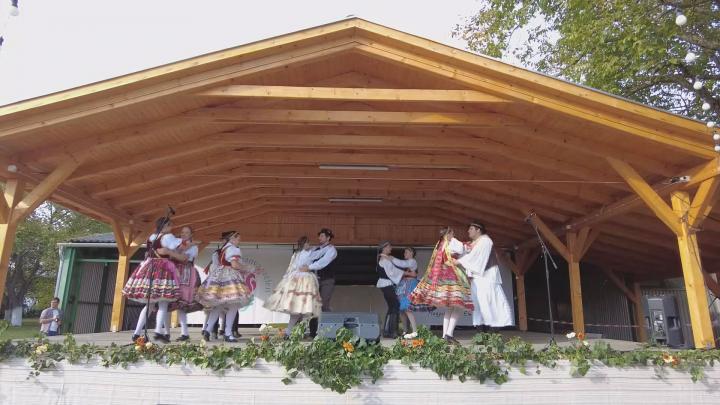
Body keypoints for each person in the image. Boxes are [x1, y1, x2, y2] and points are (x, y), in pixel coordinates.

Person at [123, 217, 187, 343]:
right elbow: (182, 245)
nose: (171, 228)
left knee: (149, 304)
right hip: (162, 269)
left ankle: (136, 333)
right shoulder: (167, 237)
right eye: (170, 225)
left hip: (150, 267)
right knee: (163, 301)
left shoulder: (152, 237)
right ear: (165, 226)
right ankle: (158, 331)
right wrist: (187, 240)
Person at [410, 227, 474, 344]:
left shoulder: (440, 245)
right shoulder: (452, 242)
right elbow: (461, 249)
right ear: (448, 234)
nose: (454, 234)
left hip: (443, 275)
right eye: (452, 232)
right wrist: (466, 245)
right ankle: (449, 334)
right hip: (454, 274)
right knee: (458, 306)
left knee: (450, 307)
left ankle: (445, 335)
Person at [196, 231, 253, 343]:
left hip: (220, 276)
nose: (239, 241)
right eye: (238, 239)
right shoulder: (233, 249)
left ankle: (207, 331)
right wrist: (248, 268)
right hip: (229, 276)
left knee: (218, 306)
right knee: (233, 305)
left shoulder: (224, 249)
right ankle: (228, 333)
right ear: (232, 239)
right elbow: (235, 265)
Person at [455, 221, 513, 331]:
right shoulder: (473, 243)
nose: (468, 231)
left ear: (478, 230)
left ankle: (494, 333)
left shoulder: (485, 241)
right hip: (477, 278)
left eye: (471, 229)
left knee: (490, 303)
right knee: (478, 305)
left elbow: (474, 257)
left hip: (488, 277)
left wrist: (458, 262)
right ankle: (481, 333)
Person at [263, 236, 322, 337]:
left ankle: (293, 332)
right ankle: (289, 332)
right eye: (307, 243)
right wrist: (286, 278)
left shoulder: (309, 252)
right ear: (303, 244)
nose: (309, 245)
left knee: (302, 310)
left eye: (309, 243)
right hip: (299, 280)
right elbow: (292, 267)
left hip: (303, 280)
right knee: (297, 310)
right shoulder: (298, 254)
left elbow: (319, 254)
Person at [303, 228, 338, 337]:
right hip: (315, 280)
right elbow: (308, 257)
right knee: (314, 306)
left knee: (324, 304)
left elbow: (323, 262)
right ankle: (313, 332)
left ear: (328, 238)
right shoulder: (316, 249)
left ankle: (327, 332)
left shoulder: (331, 250)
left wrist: (309, 267)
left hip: (327, 280)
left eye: (322, 236)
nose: (320, 238)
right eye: (320, 236)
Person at [386, 247, 427, 339]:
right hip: (403, 285)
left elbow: (402, 264)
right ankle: (405, 330)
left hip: (409, 285)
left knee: (407, 308)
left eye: (406, 252)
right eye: (404, 252)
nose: (404, 253)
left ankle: (415, 330)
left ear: (412, 253)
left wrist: (390, 258)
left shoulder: (412, 261)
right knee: (402, 310)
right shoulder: (408, 263)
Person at [169, 226, 201, 341]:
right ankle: (165, 331)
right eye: (182, 232)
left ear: (191, 234)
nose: (183, 234)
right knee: (168, 301)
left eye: (187, 232)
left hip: (186, 273)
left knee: (181, 304)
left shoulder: (194, 247)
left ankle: (184, 333)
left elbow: (183, 258)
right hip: (174, 271)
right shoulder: (177, 243)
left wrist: (187, 246)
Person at [376, 241, 405, 338]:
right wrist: (406, 273)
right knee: (395, 305)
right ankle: (392, 331)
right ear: (384, 248)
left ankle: (388, 331)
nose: (391, 249)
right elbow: (392, 273)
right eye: (389, 247)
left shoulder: (383, 258)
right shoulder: (385, 260)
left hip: (385, 284)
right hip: (386, 284)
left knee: (392, 306)